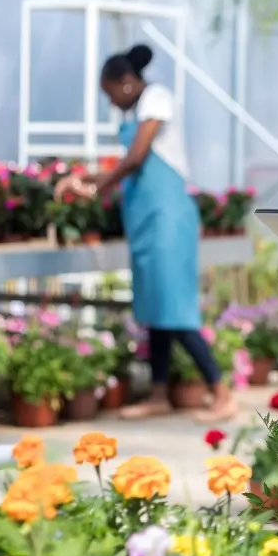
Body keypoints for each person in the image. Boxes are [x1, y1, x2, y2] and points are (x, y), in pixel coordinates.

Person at [76, 44, 237, 422]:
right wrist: (85, 178)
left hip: (167, 219)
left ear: (126, 83)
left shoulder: (157, 98)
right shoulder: (139, 106)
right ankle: (159, 394)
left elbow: (136, 158)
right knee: (154, 309)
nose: (112, 101)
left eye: (110, 92)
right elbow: (125, 165)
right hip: (146, 221)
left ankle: (221, 392)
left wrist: (100, 185)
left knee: (174, 308)